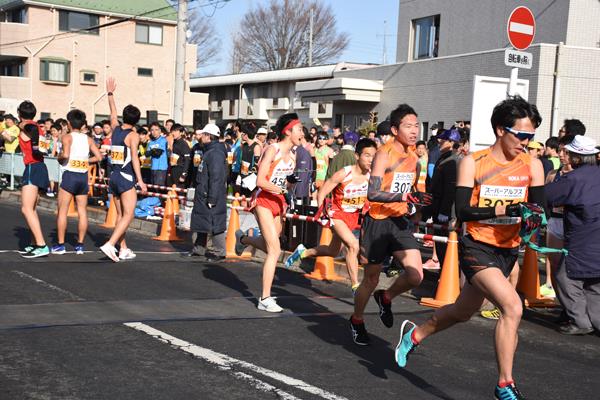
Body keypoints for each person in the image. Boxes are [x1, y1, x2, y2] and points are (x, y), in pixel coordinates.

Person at [395, 96, 545, 400]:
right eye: (522, 135)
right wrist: (506, 208)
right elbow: (461, 211)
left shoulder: (533, 164)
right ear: (501, 130)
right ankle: (505, 384)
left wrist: (531, 220)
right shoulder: (472, 162)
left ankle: (415, 335)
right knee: (512, 307)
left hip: (508, 250)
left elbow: (538, 209)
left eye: (532, 136)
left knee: (463, 312)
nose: (527, 143)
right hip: (476, 246)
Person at [349, 104, 432, 346]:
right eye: (409, 126)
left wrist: (416, 208)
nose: (415, 131)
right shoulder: (384, 154)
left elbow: (412, 190)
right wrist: (404, 197)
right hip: (377, 222)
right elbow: (372, 193)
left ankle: (386, 297)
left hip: (400, 221)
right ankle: (356, 319)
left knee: (416, 274)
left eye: (417, 125)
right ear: (395, 130)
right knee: (371, 279)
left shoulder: (415, 157)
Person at [285, 138, 377, 291]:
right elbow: (323, 192)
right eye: (367, 155)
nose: (370, 160)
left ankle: (303, 252)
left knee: (332, 251)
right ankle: (355, 285)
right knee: (353, 246)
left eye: (373, 156)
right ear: (356, 156)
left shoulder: (371, 177)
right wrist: (322, 212)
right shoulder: (344, 173)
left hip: (352, 216)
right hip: (337, 214)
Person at [234, 113, 303, 313]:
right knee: (275, 250)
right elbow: (260, 181)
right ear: (287, 131)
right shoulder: (272, 149)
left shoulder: (294, 154)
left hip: (279, 202)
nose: (302, 132)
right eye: (298, 129)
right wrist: (280, 189)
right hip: (264, 200)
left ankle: (244, 240)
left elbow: (287, 182)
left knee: (270, 245)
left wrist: (291, 184)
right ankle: (264, 298)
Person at [546, 135, 600, 335]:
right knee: (595, 282)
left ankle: (580, 321)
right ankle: (596, 321)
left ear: (578, 157)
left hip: (582, 237)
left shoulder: (574, 179)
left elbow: (547, 196)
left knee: (565, 277)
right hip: (596, 236)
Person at [99, 78, 147, 262]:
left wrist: (110, 94)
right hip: (126, 176)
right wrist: (140, 180)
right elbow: (135, 158)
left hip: (114, 175)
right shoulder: (133, 135)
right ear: (136, 120)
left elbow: (112, 112)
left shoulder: (115, 128)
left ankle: (123, 248)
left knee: (120, 215)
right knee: (129, 214)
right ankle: (110, 244)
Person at [52, 109, 103, 254]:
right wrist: (85, 161)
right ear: (82, 124)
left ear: (68, 123)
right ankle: (80, 244)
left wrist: (60, 157)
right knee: (82, 211)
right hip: (82, 177)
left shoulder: (67, 137)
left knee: (62, 211)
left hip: (69, 176)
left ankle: (60, 245)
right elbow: (99, 157)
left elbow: (66, 155)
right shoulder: (88, 139)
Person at [16, 101, 51, 258]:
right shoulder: (37, 126)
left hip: (33, 167)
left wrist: (35, 145)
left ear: (19, 114)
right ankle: (34, 242)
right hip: (40, 167)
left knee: (26, 209)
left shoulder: (28, 126)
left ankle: (42, 245)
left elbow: (29, 130)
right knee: (32, 208)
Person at [189, 124, 228, 261]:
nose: (201, 137)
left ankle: (220, 252)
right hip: (204, 192)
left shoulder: (215, 153)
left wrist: (212, 198)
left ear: (208, 136)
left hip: (209, 194)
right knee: (202, 221)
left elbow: (216, 177)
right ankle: (199, 249)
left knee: (215, 222)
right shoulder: (210, 151)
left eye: (203, 134)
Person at [168, 124, 191, 188]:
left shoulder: (183, 144)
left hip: (180, 171)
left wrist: (183, 175)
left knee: (179, 193)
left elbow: (187, 160)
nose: (173, 133)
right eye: (172, 131)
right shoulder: (175, 142)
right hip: (173, 170)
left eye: (175, 131)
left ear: (181, 133)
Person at [147, 122, 168, 187]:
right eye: (152, 130)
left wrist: (152, 151)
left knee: (159, 189)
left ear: (160, 131)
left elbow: (158, 153)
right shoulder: (151, 142)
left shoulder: (163, 140)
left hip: (161, 168)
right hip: (153, 167)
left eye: (156, 130)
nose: (154, 132)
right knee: (153, 188)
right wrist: (154, 151)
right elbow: (147, 154)